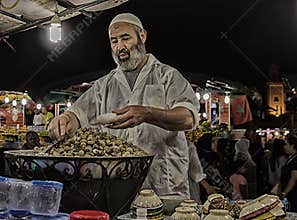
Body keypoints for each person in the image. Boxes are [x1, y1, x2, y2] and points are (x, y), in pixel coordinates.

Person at [47, 13, 199, 197]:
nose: (120, 47)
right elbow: (77, 114)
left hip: (164, 183)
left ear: (142, 36)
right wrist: (64, 119)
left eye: (125, 38)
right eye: (114, 41)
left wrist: (147, 114)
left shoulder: (167, 76)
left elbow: (187, 118)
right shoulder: (104, 85)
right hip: (119, 186)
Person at [278, 134, 297, 212]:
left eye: (286, 144)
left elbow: (294, 178)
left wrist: (284, 193)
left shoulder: (295, 160)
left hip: (294, 193)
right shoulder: (290, 158)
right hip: (291, 193)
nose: (284, 147)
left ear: (292, 146)